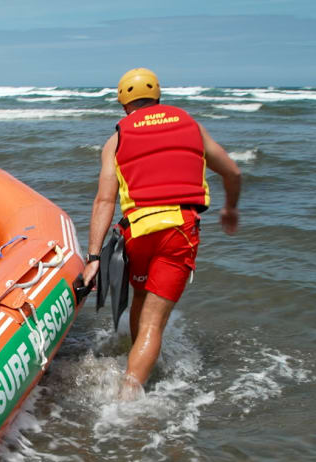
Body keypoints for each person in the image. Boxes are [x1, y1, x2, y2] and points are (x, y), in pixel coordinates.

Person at [81, 68, 242, 399]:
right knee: (154, 324)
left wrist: (93, 257)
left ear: (124, 104)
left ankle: (133, 362)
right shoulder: (191, 127)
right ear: (158, 98)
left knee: (140, 298)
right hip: (178, 231)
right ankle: (128, 398)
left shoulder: (116, 140)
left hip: (137, 231)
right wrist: (230, 208)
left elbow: (105, 200)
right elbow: (233, 171)